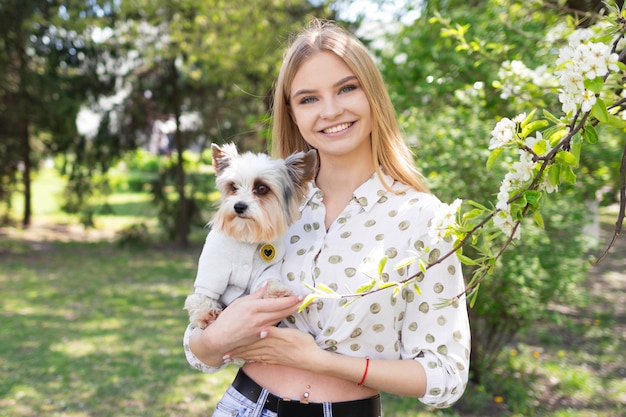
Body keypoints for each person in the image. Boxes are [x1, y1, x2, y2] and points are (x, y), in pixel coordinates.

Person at [183, 18, 470, 417]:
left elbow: (445, 375)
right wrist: (218, 336)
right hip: (243, 406)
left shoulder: (424, 218)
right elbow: (199, 345)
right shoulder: (268, 204)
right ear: (293, 112)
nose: (331, 110)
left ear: (373, 93)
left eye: (346, 88)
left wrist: (320, 362)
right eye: (308, 98)